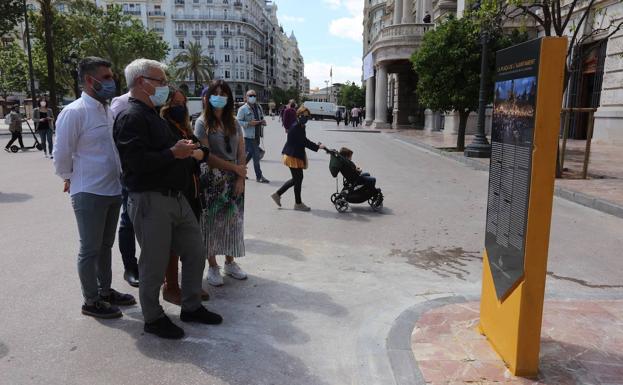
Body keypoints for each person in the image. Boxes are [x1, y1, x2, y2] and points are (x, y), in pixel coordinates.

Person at [115, 58, 222, 340]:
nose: (165, 87)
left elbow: (168, 151)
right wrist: (173, 154)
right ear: (142, 82)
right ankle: (153, 317)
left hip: (176, 197)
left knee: (195, 250)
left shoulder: (153, 115)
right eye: (161, 81)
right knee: (153, 261)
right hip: (151, 199)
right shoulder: (130, 116)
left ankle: (191, 307)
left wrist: (184, 152)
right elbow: (135, 162)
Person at [53, 57, 135, 319]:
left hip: (112, 188)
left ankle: (105, 290)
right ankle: (90, 300)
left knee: (105, 245)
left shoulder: (106, 109)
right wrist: (68, 176)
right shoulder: (74, 112)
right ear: (90, 80)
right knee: (89, 248)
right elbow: (61, 153)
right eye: (107, 77)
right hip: (89, 191)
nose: (112, 82)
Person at [160, 87, 213, 305]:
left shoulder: (184, 129)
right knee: (172, 243)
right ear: (165, 106)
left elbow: (204, 152)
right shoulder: (163, 127)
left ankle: (191, 284)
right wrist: (195, 154)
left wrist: (194, 153)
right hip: (175, 191)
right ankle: (170, 286)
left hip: (192, 190)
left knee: (192, 242)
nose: (181, 107)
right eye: (176, 104)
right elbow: (181, 156)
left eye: (183, 103)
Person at [194, 80, 248, 287]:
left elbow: (241, 150)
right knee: (211, 223)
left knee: (233, 223)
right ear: (207, 97)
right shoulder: (201, 123)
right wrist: (235, 169)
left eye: (223, 93)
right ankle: (212, 266)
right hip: (212, 180)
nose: (219, 97)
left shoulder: (234, 122)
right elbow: (206, 156)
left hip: (234, 180)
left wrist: (241, 177)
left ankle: (230, 262)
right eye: (215, 93)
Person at [271, 106, 325, 211]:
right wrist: (317, 147)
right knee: (298, 179)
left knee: (297, 179)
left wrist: (316, 146)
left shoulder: (300, 126)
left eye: (307, 116)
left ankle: (279, 195)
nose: (306, 118)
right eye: (304, 116)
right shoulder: (296, 127)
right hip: (292, 156)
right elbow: (304, 142)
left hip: (295, 155)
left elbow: (304, 140)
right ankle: (297, 203)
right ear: (299, 115)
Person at [111, 90, 139, 288]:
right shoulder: (121, 103)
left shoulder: (159, 101)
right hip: (131, 174)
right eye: (158, 80)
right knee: (128, 220)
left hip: (157, 174)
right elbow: (112, 139)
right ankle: (130, 267)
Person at [237, 89, 269, 183]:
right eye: (250, 95)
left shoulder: (258, 107)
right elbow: (238, 122)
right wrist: (249, 123)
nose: (253, 97)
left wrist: (262, 122)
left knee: (250, 155)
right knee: (256, 156)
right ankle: (259, 176)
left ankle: (239, 171)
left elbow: (261, 117)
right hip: (249, 137)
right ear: (246, 97)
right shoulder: (243, 109)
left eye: (254, 95)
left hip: (257, 135)